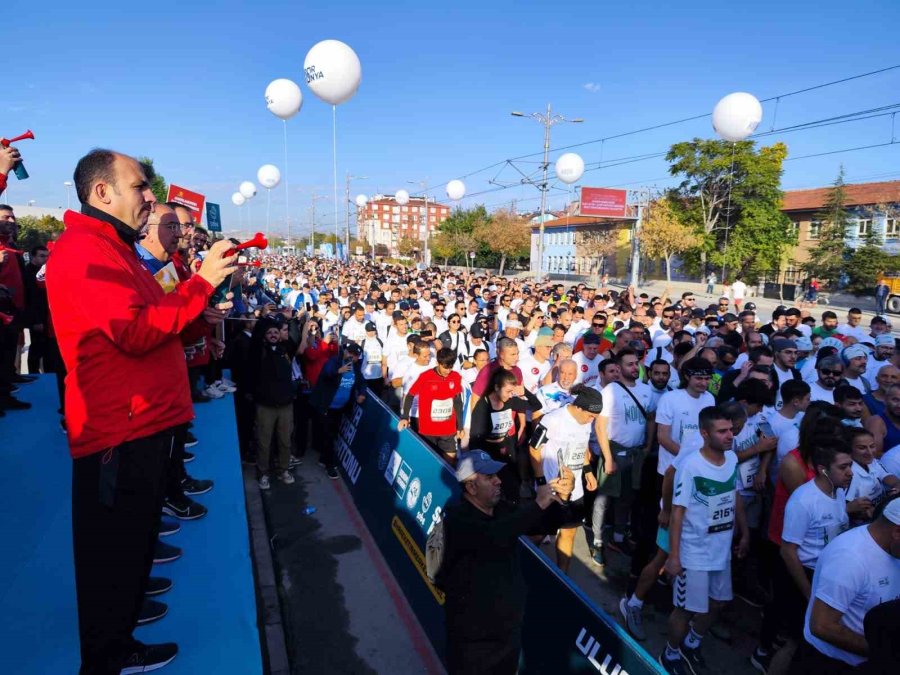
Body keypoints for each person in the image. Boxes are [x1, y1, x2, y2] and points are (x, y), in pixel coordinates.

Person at [45, 149, 236, 673]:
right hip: (118, 430)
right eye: (140, 187)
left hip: (144, 421)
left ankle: (120, 630)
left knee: (131, 548)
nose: (151, 197)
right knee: (111, 555)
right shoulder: (84, 252)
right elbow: (134, 331)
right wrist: (202, 283)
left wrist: (199, 318)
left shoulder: (116, 249)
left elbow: (158, 321)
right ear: (101, 192)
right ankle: (106, 655)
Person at [440, 450, 574, 675]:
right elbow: (495, 536)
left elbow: (543, 524)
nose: (498, 481)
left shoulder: (501, 509)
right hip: (473, 643)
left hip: (507, 635)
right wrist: (539, 503)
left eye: (496, 475)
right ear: (471, 487)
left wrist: (562, 498)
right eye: (489, 477)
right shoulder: (457, 519)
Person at [659, 406, 750, 675]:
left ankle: (692, 643)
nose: (730, 435)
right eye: (722, 431)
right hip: (694, 553)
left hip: (721, 550)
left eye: (731, 430)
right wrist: (674, 556)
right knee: (686, 610)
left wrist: (745, 532)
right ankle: (670, 653)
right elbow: (678, 512)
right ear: (704, 434)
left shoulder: (731, 459)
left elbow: (734, 494)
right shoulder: (691, 466)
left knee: (718, 603)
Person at [791, 499, 900, 673]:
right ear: (897, 532)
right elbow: (822, 626)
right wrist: (884, 653)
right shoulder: (849, 558)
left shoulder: (893, 549)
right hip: (831, 665)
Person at [592, 349, 656, 565]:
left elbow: (651, 417)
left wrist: (648, 445)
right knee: (604, 499)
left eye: (636, 363)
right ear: (619, 368)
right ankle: (598, 541)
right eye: (629, 364)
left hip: (636, 453)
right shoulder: (610, 391)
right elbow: (600, 427)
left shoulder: (646, 390)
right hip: (614, 451)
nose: (635, 367)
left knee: (627, 498)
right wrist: (608, 458)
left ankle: (618, 538)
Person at [529, 385, 602, 573]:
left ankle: (563, 576)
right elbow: (534, 449)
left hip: (575, 491)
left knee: (569, 533)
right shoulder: (552, 420)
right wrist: (541, 482)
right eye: (590, 416)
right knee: (537, 535)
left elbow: (582, 446)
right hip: (552, 489)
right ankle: (520, 567)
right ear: (578, 407)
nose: (592, 420)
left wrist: (588, 471)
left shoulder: (586, 421)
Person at [309, 342, 367, 479]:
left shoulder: (355, 367)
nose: (352, 357)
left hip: (340, 408)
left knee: (333, 434)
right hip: (326, 406)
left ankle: (324, 459)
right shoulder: (334, 361)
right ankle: (329, 465)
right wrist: (338, 371)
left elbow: (361, 382)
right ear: (345, 352)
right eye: (350, 353)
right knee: (328, 435)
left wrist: (362, 393)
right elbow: (326, 373)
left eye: (355, 355)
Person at [251, 316, 296, 490]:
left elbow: (295, 336)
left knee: (285, 441)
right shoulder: (259, 351)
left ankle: (284, 470)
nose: (273, 335)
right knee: (264, 442)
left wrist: (291, 319)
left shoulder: (286, 350)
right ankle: (263, 473)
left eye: (276, 332)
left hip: (285, 406)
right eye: (269, 332)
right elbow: (257, 335)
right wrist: (264, 319)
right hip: (265, 406)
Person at [398, 347, 465, 464]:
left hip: (448, 429)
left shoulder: (455, 377)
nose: (448, 371)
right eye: (445, 367)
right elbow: (410, 396)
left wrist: (460, 426)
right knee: (427, 463)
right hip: (428, 429)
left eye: (451, 367)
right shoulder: (425, 377)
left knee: (450, 462)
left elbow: (458, 402)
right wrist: (405, 417)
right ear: (438, 363)